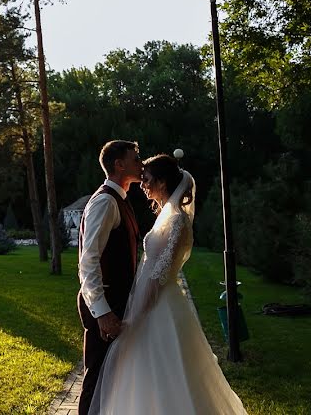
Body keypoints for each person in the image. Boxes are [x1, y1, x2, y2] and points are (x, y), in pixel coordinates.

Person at [89, 154, 247, 414]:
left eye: (147, 179)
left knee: (167, 372)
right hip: (155, 301)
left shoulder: (177, 222)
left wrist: (136, 316)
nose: (143, 184)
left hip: (160, 306)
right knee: (146, 374)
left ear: (162, 183)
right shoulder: (166, 216)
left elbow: (159, 276)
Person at [76, 140, 143, 415]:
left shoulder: (121, 199)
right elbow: (88, 261)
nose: (141, 163)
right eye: (136, 158)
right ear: (119, 164)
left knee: (112, 380)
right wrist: (103, 313)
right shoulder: (105, 202)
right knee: (97, 378)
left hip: (116, 301)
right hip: (104, 303)